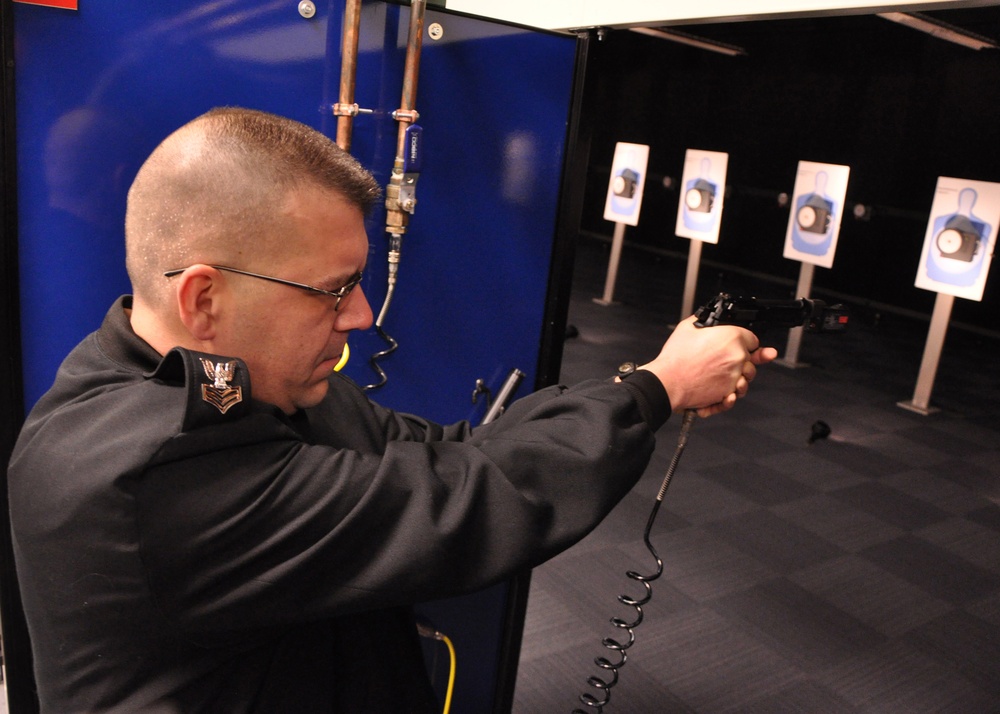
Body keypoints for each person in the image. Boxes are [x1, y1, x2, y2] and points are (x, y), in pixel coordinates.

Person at [8, 107, 776, 713]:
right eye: (333, 289)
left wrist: (641, 380)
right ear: (204, 298)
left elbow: (446, 452)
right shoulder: (146, 474)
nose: (361, 315)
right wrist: (660, 388)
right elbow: (466, 499)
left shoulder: (227, 379)